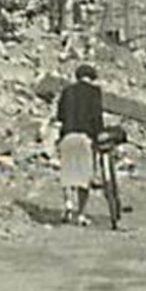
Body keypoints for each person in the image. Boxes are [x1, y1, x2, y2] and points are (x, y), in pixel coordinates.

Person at [56, 64, 105, 220]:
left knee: (68, 173)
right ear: (92, 77)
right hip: (85, 137)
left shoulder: (67, 91)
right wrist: (99, 135)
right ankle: (81, 213)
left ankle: (68, 206)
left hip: (68, 136)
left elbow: (60, 115)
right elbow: (97, 116)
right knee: (84, 176)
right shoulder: (95, 92)